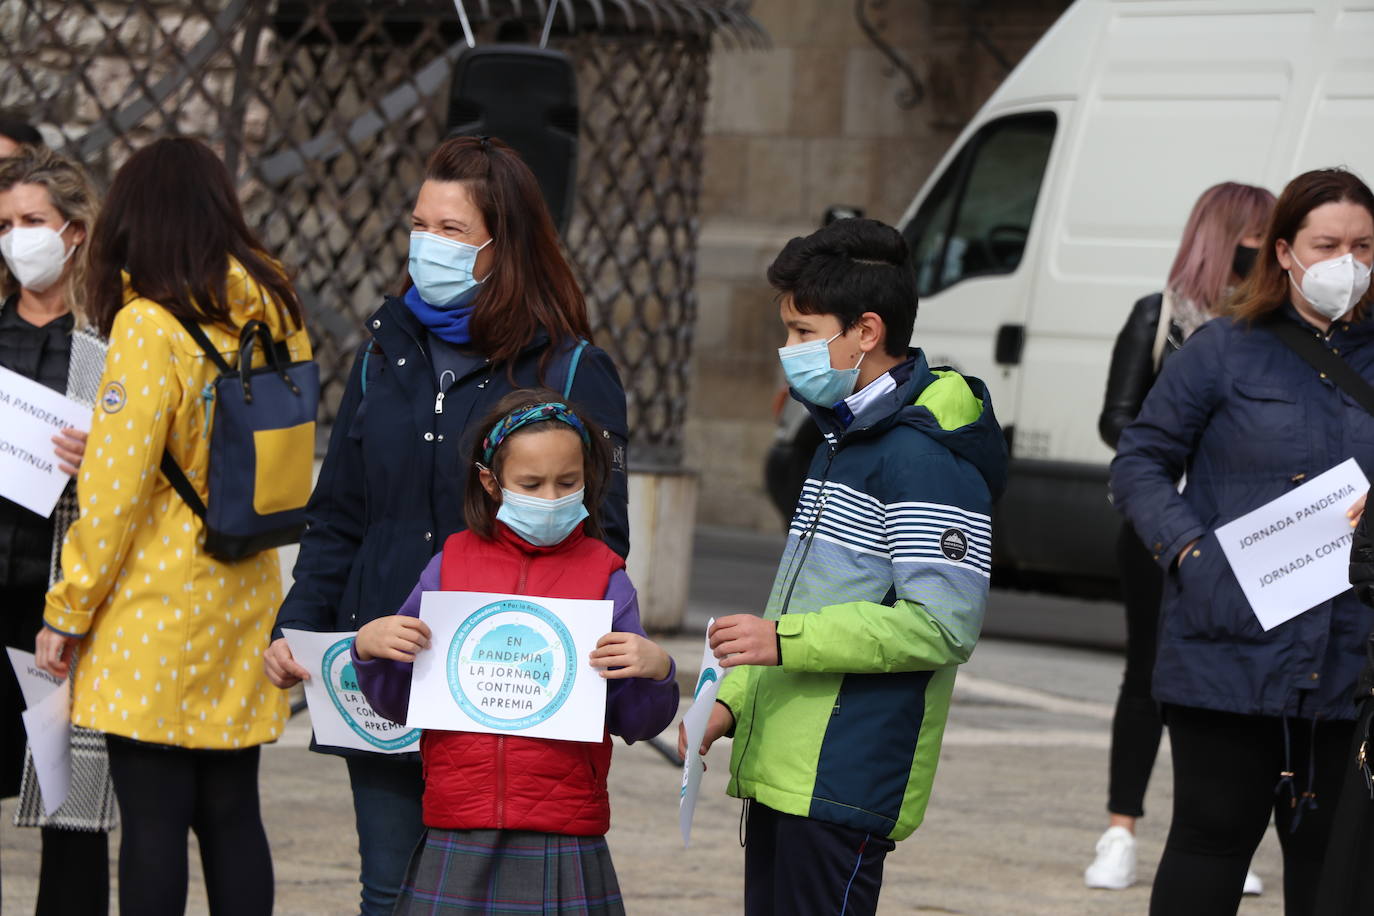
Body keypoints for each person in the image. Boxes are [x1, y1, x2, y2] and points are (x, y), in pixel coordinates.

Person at [265, 135, 630, 915]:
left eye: (452, 230)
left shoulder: (567, 369)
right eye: (420, 224)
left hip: (505, 686)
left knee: (489, 896)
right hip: (388, 665)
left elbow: (604, 540)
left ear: (505, 245)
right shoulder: (384, 353)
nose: (427, 244)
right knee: (388, 889)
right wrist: (300, 627)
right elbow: (339, 514)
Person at [681, 218, 1007, 915]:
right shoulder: (841, 436)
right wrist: (731, 704)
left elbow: (944, 625)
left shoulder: (923, 455)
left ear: (867, 330)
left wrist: (782, 642)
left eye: (803, 331)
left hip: (843, 775)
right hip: (785, 766)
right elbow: (803, 598)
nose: (787, 349)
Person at [35, 137, 313, 916]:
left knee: (152, 820)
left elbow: (115, 496)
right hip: (246, 583)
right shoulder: (276, 307)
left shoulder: (149, 326)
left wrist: (67, 610)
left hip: (157, 606)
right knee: (232, 812)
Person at [1111, 167, 1374, 916]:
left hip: (1353, 655)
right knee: (1211, 837)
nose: (1346, 262)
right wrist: (1190, 552)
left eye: (1363, 245)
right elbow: (1140, 460)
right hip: (1230, 639)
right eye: (1327, 244)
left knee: (1338, 861)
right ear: (1284, 251)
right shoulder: (1223, 349)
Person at [352, 389, 676, 914]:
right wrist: (372, 650)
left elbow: (634, 721)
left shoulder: (605, 577)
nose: (551, 497)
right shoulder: (448, 567)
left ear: (588, 480)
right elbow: (399, 701)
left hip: (563, 823)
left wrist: (654, 672)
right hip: (460, 816)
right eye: (531, 484)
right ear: (491, 481)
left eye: (568, 483)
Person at [1087, 181, 1275, 892]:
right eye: (1258, 234)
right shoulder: (1160, 317)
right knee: (1148, 674)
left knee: (1242, 675)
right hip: (1163, 527)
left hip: (1246, 528)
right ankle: (1119, 831)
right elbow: (1119, 421)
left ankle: (1232, 832)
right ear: (1225, 237)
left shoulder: (1274, 329)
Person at [0, 144, 114, 915]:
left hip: (64, 595)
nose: (17, 237)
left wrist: (102, 456)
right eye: (4, 223)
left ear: (73, 231)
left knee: (70, 801)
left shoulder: (113, 338)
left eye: (32, 220)